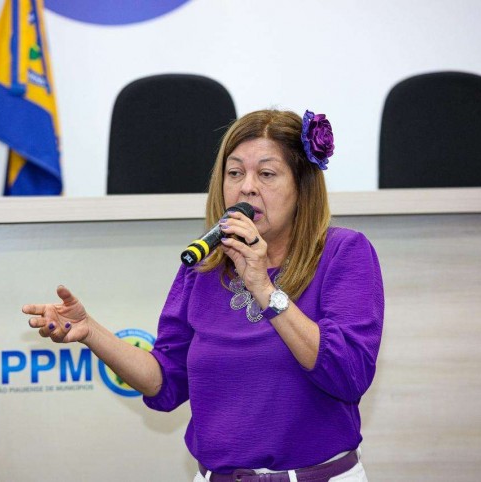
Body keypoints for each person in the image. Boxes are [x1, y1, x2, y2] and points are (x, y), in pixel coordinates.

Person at [23, 109, 384, 482]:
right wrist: (90, 331)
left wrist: (263, 287)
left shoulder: (343, 252)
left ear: (302, 186)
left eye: (266, 174)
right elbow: (164, 381)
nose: (247, 187)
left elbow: (348, 373)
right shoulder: (205, 265)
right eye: (235, 173)